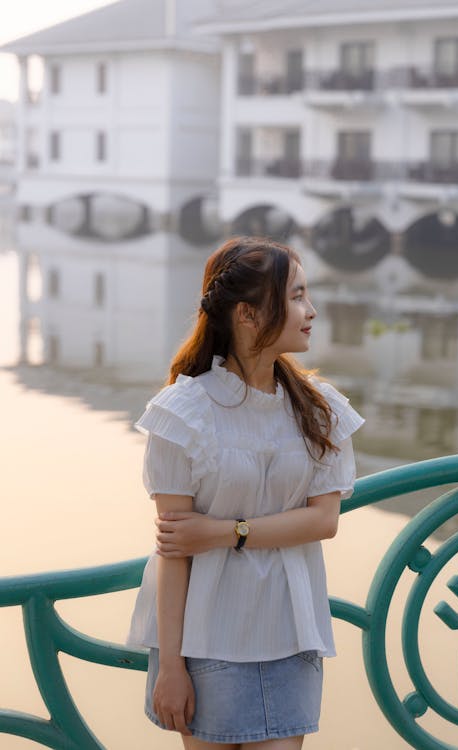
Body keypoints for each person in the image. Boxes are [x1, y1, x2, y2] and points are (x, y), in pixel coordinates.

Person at [126, 235, 365, 750]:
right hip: (205, 637)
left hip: (291, 630)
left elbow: (324, 521)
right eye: (297, 296)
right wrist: (172, 666)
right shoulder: (182, 412)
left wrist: (223, 532)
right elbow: (174, 551)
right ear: (248, 315)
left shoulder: (320, 410)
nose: (312, 310)